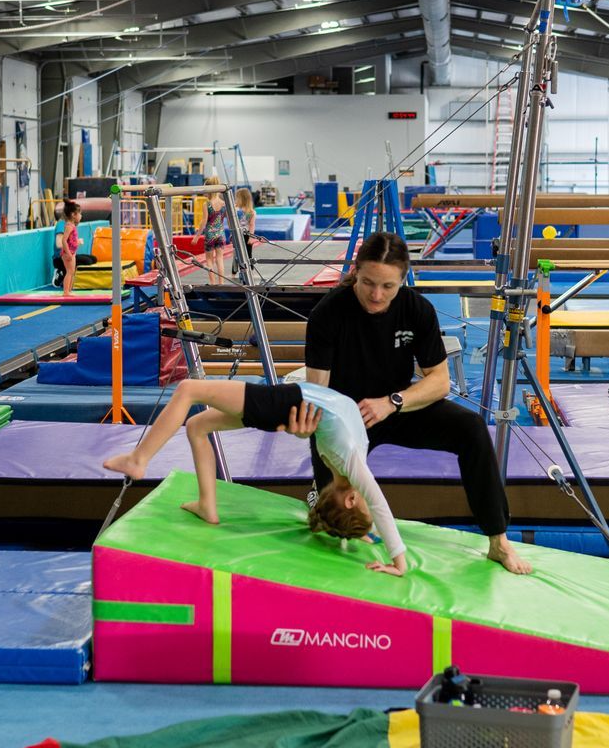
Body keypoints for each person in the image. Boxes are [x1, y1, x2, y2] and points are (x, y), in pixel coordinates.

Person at [305, 231, 532, 575]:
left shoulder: (416, 309)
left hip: (397, 406)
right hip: (346, 419)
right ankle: (327, 507)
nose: (376, 295)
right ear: (356, 271)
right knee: (333, 522)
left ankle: (498, 542)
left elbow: (439, 382)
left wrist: (393, 402)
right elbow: (318, 392)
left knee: (470, 428)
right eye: (368, 283)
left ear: (403, 279)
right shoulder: (328, 313)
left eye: (388, 287)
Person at [100, 379, 409, 575]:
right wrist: (364, 533)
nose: (371, 496)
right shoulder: (342, 467)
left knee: (187, 389)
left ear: (354, 499)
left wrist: (399, 562)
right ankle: (208, 505)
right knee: (197, 426)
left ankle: (138, 459)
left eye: (362, 504)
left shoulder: (351, 463)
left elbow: (379, 506)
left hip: (285, 400)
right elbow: (369, 515)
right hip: (289, 403)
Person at [55, 200, 82, 296]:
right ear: (73, 214)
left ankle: (69, 291)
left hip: (71, 252)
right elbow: (63, 240)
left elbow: (71, 240)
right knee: (69, 271)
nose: (81, 216)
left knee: (72, 271)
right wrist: (68, 253)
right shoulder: (69, 226)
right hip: (67, 253)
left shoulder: (72, 225)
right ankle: (66, 291)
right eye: (80, 213)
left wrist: (77, 242)